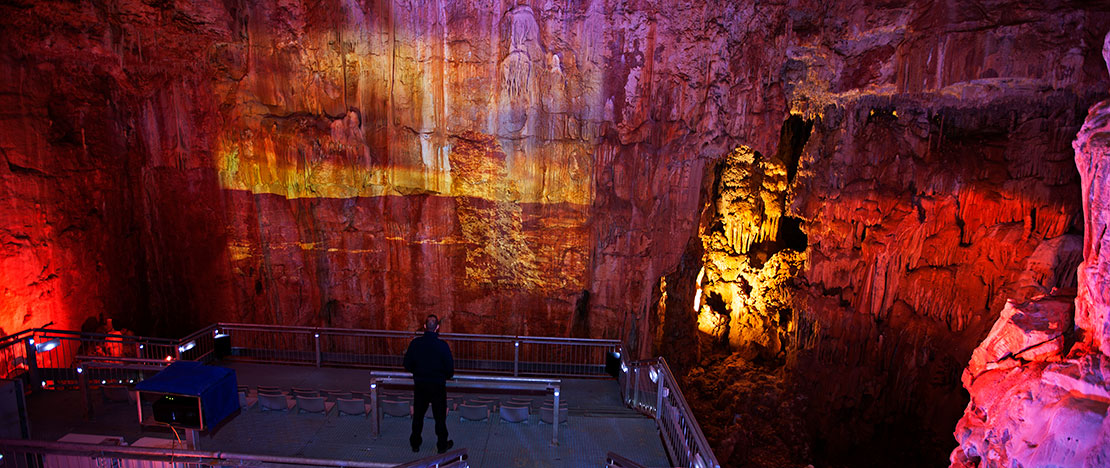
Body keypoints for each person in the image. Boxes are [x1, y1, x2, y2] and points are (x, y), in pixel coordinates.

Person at [403, 314, 454, 453]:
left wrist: (418, 372)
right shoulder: (442, 346)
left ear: (424, 327)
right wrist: (442, 375)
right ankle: (442, 445)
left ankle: (415, 444)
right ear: (437, 328)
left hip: (420, 385)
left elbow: (407, 364)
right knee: (440, 418)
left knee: (418, 416)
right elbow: (450, 369)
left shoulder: (415, 344)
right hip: (437, 386)